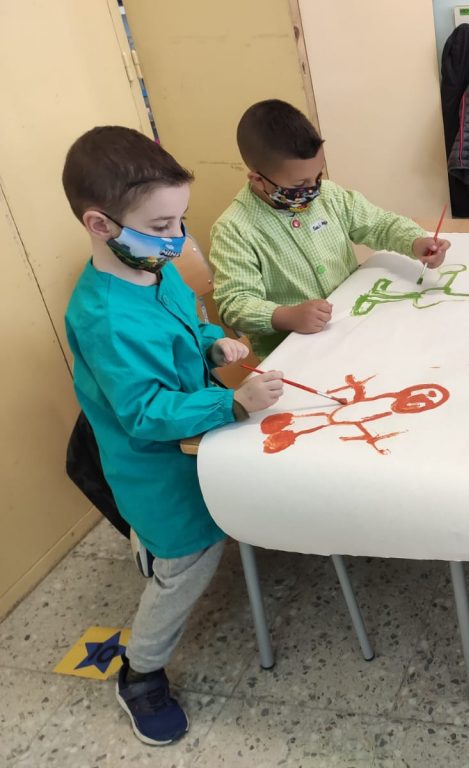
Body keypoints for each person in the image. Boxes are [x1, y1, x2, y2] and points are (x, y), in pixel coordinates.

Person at [63, 126, 284, 744]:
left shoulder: (155, 270)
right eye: (161, 226)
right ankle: (140, 674)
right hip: (156, 467)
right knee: (187, 564)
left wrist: (214, 344)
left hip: (193, 444)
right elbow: (144, 411)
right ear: (100, 224)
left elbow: (188, 325)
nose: (178, 238)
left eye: (180, 221)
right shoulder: (107, 316)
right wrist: (230, 401)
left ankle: (153, 546)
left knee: (195, 536)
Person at [209, 99, 451, 358]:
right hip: (296, 352)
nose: (313, 189)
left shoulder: (329, 196)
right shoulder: (234, 230)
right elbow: (235, 304)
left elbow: (379, 223)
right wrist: (287, 316)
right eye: (300, 184)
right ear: (258, 180)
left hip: (353, 325)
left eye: (318, 176)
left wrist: (415, 242)